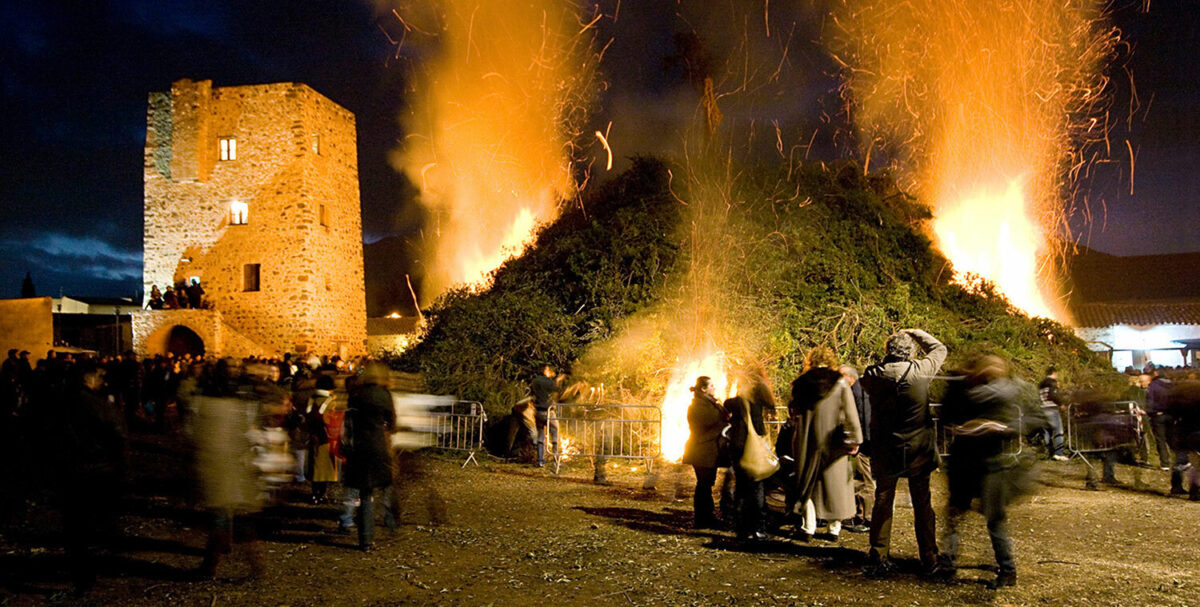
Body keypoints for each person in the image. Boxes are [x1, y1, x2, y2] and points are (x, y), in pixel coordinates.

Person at [938, 355, 1037, 588]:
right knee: (956, 515)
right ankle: (949, 562)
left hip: (990, 465)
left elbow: (1026, 421)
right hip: (968, 464)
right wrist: (966, 428)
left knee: (992, 520)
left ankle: (1007, 569)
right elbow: (947, 420)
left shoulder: (1005, 393)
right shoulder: (963, 390)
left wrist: (1001, 429)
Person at [859, 328, 947, 578]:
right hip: (918, 449)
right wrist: (915, 332)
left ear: (888, 351)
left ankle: (879, 553)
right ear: (910, 352)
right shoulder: (920, 371)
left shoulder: (873, 375)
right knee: (922, 503)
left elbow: (866, 381)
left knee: (883, 500)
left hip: (886, 448)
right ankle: (929, 557)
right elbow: (939, 349)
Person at [790, 347, 862, 542]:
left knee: (807, 482)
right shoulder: (840, 382)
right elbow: (850, 412)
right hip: (834, 439)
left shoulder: (800, 383)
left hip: (806, 439)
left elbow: (793, 412)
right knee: (835, 484)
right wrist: (856, 438)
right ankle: (833, 529)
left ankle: (808, 526)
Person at [343, 363, 397, 551]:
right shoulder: (384, 395)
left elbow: (349, 420)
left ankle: (365, 538)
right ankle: (389, 521)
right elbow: (392, 421)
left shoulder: (356, 395)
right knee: (384, 486)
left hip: (359, 446)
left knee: (365, 493)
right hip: (377, 445)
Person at [682, 376, 732, 529]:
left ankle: (707, 516)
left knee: (707, 483)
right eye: (711, 386)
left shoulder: (708, 403)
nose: (714, 388)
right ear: (703, 389)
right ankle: (703, 518)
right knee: (704, 484)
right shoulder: (698, 405)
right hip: (701, 451)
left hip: (707, 451)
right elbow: (711, 420)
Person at [840, 364, 873, 533]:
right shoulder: (861, 389)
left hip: (863, 444)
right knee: (861, 479)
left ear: (850, 377)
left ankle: (867, 518)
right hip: (864, 442)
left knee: (864, 480)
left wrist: (859, 442)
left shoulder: (857, 392)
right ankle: (861, 515)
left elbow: (862, 418)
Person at [530, 365, 560, 468]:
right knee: (555, 432)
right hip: (548, 411)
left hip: (538, 412)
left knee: (541, 436)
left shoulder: (534, 381)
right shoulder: (549, 382)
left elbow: (532, 395)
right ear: (546, 370)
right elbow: (557, 391)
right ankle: (556, 460)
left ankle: (540, 461)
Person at [1039, 367, 1069, 461]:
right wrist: (1061, 404)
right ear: (1054, 373)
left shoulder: (1041, 384)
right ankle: (1059, 453)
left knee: (1047, 432)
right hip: (1052, 409)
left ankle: (1048, 452)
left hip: (1043, 409)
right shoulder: (1052, 382)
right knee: (1058, 431)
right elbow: (1053, 395)